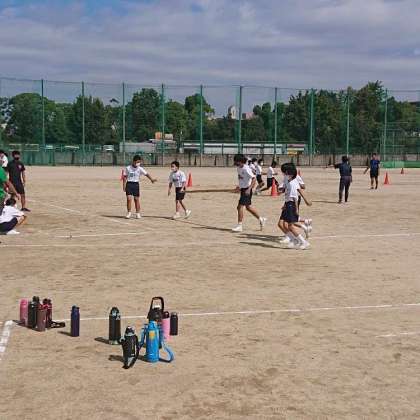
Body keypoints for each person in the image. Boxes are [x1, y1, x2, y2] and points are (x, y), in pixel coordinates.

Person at [232, 154, 267, 233]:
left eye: (236, 161)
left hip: (247, 190)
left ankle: (240, 226)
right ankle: (261, 219)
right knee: (248, 207)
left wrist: (249, 189)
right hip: (243, 189)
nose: (235, 163)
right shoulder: (238, 168)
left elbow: (254, 179)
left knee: (240, 207)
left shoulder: (246, 169)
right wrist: (239, 186)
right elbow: (241, 178)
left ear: (240, 161)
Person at [278, 165, 310, 250]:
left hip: (291, 205)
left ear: (291, 175)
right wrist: (285, 204)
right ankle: (294, 240)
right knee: (284, 224)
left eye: (286, 173)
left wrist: (296, 209)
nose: (284, 175)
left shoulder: (292, 184)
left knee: (290, 226)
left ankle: (303, 242)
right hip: (288, 204)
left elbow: (295, 198)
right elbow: (287, 195)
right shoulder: (289, 182)